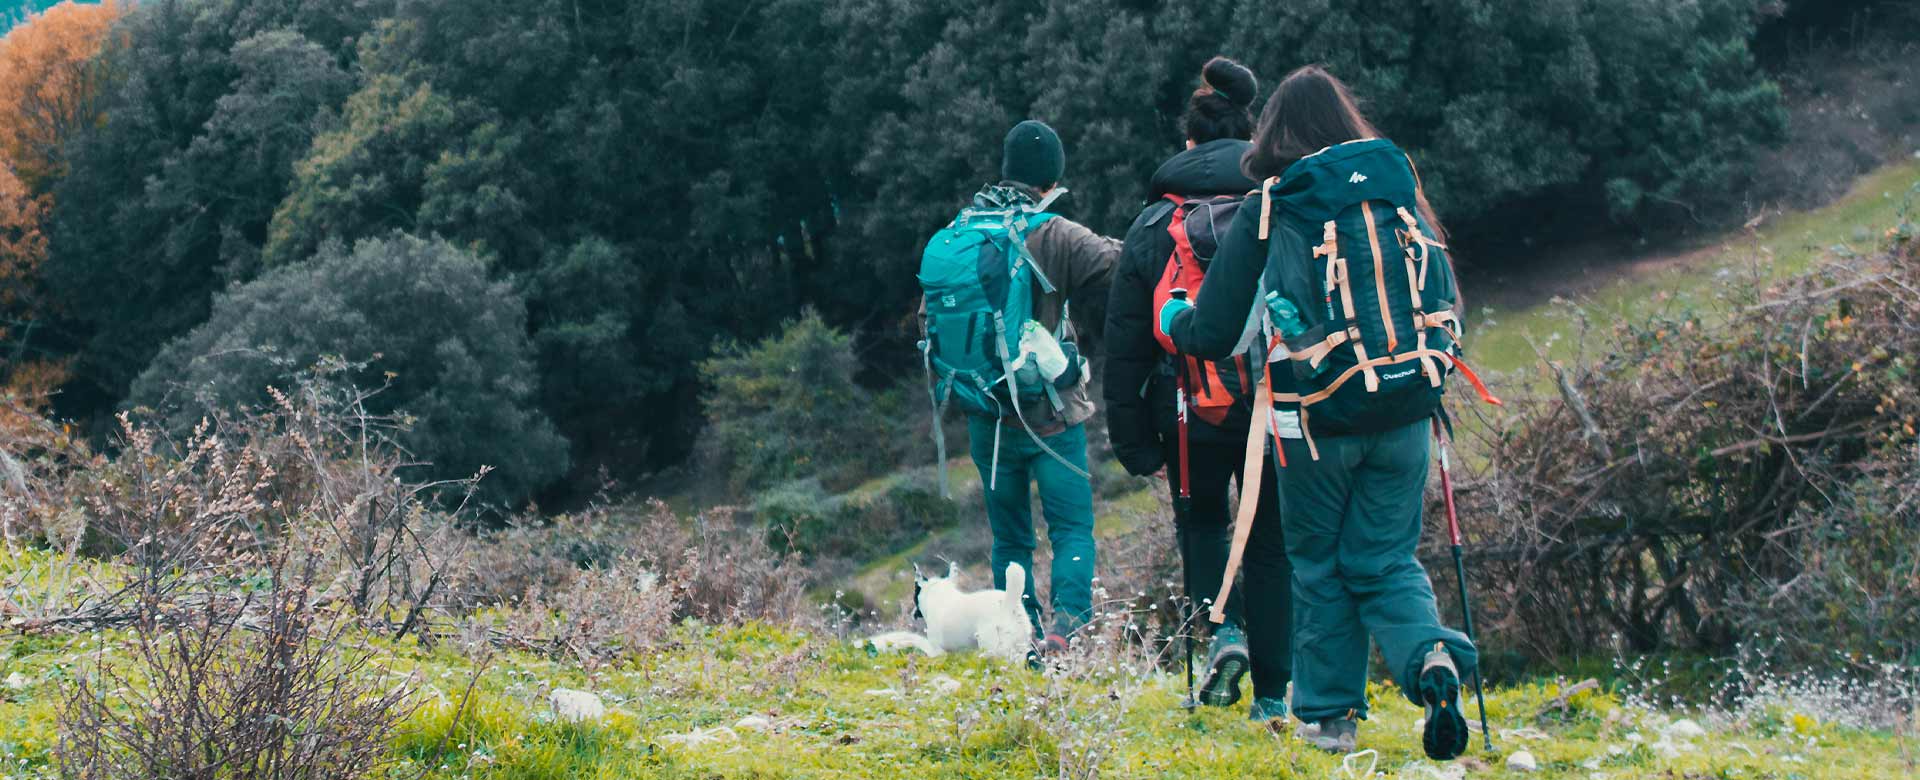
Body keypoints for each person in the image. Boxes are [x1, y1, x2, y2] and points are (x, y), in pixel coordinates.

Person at [1159, 65, 1480, 760]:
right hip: (1405, 410)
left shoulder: (1275, 203)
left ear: (1274, 131)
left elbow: (1214, 332)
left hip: (1313, 418)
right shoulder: (1397, 186)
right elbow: (1446, 295)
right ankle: (1430, 657)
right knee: (1386, 559)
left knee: (1318, 563)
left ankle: (1330, 720)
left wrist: (1175, 317)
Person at [1103, 57, 1290, 719]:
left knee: (1203, 522)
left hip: (1184, 406)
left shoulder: (1152, 226)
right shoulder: (1274, 210)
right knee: (1270, 546)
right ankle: (1272, 700)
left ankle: (1224, 633)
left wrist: (1134, 444)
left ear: (1187, 145)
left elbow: (1124, 341)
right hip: (1271, 405)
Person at [920, 120, 1120, 655]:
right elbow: (1120, 267)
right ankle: (1065, 631)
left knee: (1011, 538)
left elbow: (929, 319)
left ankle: (1022, 638)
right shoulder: (1051, 233)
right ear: (1052, 176)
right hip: (1051, 414)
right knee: (1072, 528)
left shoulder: (959, 232)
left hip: (988, 417)